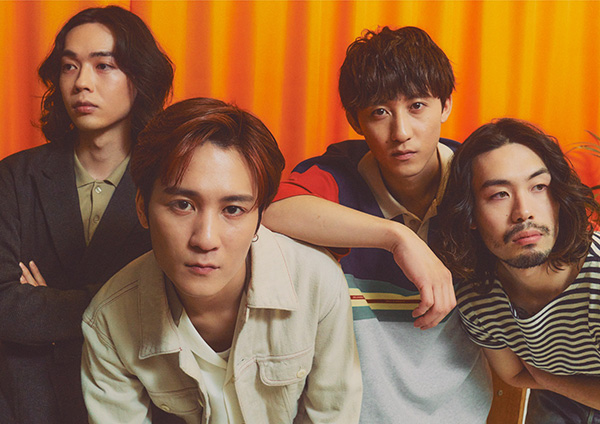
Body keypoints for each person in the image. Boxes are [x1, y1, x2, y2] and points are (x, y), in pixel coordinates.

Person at [80, 97, 362, 424]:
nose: (205, 239)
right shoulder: (109, 319)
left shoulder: (317, 284)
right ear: (142, 208)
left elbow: (332, 414)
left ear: (259, 218)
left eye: (233, 210)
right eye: (183, 205)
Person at [262, 26, 491, 422]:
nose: (401, 132)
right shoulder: (337, 176)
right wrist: (397, 237)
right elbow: (267, 210)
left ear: (446, 106)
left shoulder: (480, 179)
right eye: (379, 113)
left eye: (417, 106)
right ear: (356, 121)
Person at [0, 5, 173, 423]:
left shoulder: (168, 181)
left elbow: (171, 303)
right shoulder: (15, 176)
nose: (81, 82)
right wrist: (114, 303)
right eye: (69, 66)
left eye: (103, 65)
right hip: (26, 400)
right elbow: (4, 306)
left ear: (139, 77)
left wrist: (46, 302)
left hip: (133, 400)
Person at [438, 118, 600, 424]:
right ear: (470, 214)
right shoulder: (477, 297)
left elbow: (531, 375)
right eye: (499, 194)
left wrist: (548, 379)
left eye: (539, 187)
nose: (524, 211)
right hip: (555, 399)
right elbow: (513, 374)